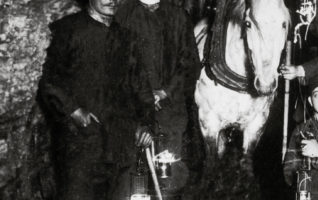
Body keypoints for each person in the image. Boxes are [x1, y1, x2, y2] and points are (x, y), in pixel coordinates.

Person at [106, 0, 201, 199]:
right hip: (131, 113)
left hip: (169, 113)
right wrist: (141, 97)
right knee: (129, 180)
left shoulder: (178, 16)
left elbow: (190, 63)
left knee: (168, 177)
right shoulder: (122, 14)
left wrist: (165, 92)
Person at [37, 0, 117, 199]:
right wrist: (73, 110)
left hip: (115, 139)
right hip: (78, 138)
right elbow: (48, 80)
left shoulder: (124, 32)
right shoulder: (67, 29)